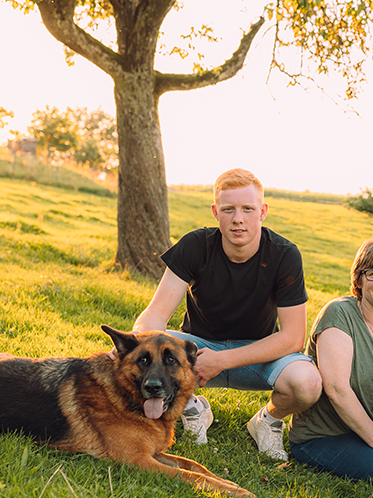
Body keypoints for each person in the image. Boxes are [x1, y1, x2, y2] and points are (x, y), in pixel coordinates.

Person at [131, 168, 321, 460]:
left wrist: (223, 360)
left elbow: (293, 338)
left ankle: (268, 420)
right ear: (215, 212)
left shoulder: (284, 255)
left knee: (307, 383)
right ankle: (191, 406)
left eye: (248, 209)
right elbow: (156, 312)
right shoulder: (195, 245)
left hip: (258, 355)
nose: (238, 219)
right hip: (198, 352)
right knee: (144, 346)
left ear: (263, 211)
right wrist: (137, 342)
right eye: (228, 209)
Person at [288, 238, 373, 491]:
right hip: (322, 436)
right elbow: (337, 389)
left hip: (369, 429)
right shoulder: (340, 314)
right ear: (358, 280)